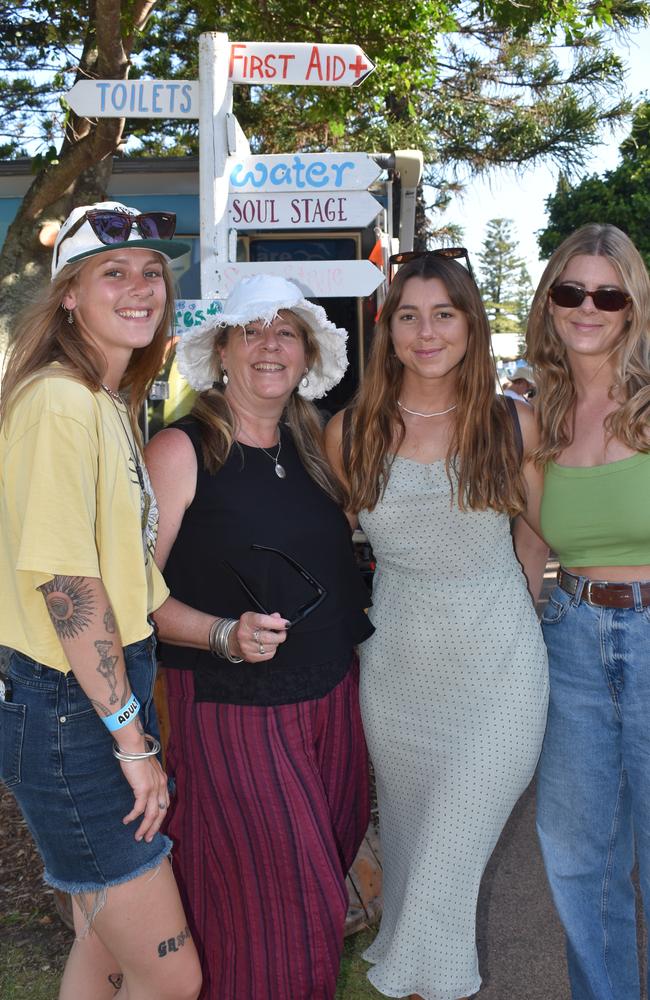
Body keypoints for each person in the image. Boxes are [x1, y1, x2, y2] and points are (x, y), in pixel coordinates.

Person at [325, 248, 549, 1000]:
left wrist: (525, 615)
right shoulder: (351, 432)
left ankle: (424, 983)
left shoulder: (511, 423)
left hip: (499, 674)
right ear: (387, 332)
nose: (427, 333)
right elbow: (322, 550)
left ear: (471, 324)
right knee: (420, 854)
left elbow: (540, 535)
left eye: (444, 314)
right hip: (399, 679)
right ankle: (418, 981)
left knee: (449, 859)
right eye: (410, 316)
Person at [144, 273, 374, 1000]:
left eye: (286, 333)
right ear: (223, 350)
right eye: (253, 331)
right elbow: (128, 594)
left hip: (331, 700)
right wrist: (219, 634)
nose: (270, 346)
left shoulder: (314, 446)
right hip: (232, 709)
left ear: (306, 355)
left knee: (295, 883)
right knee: (296, 906)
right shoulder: (181, 451)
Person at [0, 201, 201, 1000]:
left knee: (102, 948)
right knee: (171, 976)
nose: (140, 286)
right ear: (70, 295)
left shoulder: (105, 401)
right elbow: (67, 586)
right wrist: (131, 741)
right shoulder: (58, 401)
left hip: (89, 697)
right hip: (69, 712)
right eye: (111, 272)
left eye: (152, 271)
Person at [527, 223, 650, 1000]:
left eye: (609, 293)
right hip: (569, 634)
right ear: (549, 301)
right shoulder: (535, 412)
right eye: (571, 290)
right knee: (577, 858)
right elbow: (529, 541)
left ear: (633, 305)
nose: (588, 308)